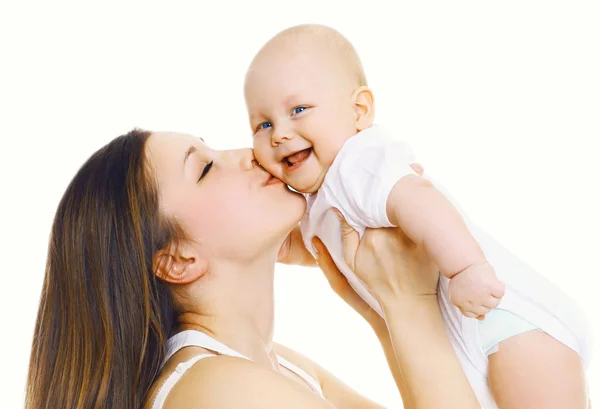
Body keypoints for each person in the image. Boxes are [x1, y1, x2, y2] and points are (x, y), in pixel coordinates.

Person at [246, 24, 591, 407]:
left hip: (505, 322)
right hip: (463, 334)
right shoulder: (318, 200)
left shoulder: (359, 163)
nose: (279, 134)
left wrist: (466, 268)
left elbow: (420, 200)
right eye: (263, 124)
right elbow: (316, 248)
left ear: (359, 111)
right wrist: (269, 244)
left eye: (299, 110)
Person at [26, 129, 479, 409]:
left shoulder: (277, 367)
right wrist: (409, 306)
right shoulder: (221, 390)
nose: (246, 152)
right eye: (204, 168)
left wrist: (381, 306)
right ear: (178, 260)